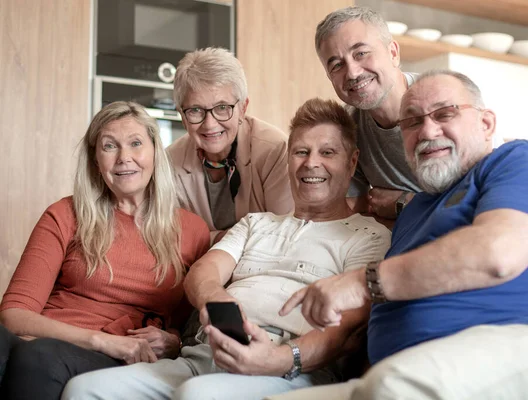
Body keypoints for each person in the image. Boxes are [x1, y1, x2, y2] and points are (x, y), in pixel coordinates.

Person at [274, 70, 528, 400]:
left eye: (445, 114)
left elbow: (497, 254)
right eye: (412, 122)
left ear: (486, 124)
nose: (427, 130)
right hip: (403, 373)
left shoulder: (518, 161)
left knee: (393, 388)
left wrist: (360, 283)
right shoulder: (413, 212)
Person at [61, 98, 392, 400]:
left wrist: (279, 358)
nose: (311, 164)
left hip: (291, 367)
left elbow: (346, 328)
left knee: (198, 395)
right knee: (85, 389)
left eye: (327, 153)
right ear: (288, 160)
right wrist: (213, 296)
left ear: (352, 163)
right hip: (206, 354)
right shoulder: (256, 224)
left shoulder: (370, 236)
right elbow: (203, 274)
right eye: (301, 152)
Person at [0, 101, 211, 400]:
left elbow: (184, 329)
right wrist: (100, 340)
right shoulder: (65, 214)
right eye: (110, 146)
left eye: (136, 143)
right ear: (96, 160)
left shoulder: (192, 231)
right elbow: (14, 314)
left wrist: (172, 341)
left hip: (109, 358)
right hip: (57, 340)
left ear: (155, 153)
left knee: (39, 357)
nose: (125, 158)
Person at [168, 47, 294, 244]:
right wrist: (228, 238)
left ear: (243, 108)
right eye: (195, 110)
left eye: (222, 108)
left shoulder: (275, 149)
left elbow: (281, 235)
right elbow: (174, 239)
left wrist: (208, 240)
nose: (210, 124)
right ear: (182, 116)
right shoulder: (169, 162)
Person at [315, 6, 421, 226]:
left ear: (393, 53)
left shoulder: (444, 102)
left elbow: (479, 194)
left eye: (361, 53)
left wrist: (403, 202)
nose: (352, 73)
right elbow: (356, 214)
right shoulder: (346, 128)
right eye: (337, 65)